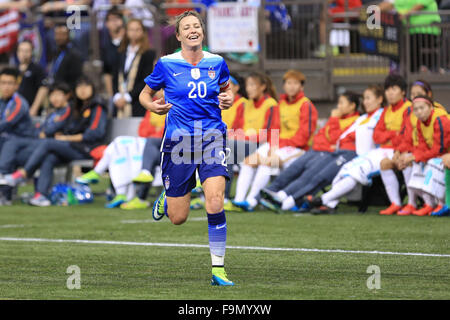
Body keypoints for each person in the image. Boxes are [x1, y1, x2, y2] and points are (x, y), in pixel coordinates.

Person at [139, 11, 235, 286]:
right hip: (178, 141)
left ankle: (218, 269)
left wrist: (227, 99)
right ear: (179, 36)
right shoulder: (167, 64)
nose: (193, 30)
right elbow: (144, 94)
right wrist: (152, 106)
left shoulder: (217, 62)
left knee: (215, 200)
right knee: (178, 218)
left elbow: (227, 90)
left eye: (197, 26)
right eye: (186, 27)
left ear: (202, 33)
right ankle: (168, 197)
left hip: (212, 137)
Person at [2, 76, 107, 206]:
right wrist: (65, 135)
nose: (82, 90)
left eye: (86, 86)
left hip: (87, 149)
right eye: (79, 87)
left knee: (47, 143)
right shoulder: (78, 107)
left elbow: (95, 134)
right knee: (49, 157)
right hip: (73, 147)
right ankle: (41, 195)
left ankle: (23, 174)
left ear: (92, 88)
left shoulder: (97, 106)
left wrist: (66, 137)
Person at [259, 91, 361, 213]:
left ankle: (286, 200)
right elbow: (321, 136)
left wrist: (333, 120)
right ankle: (270, 196)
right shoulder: (339, 119)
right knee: (294, 169)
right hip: (317, 149)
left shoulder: (355, 121)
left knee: (310, 176)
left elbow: (335, 138)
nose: (338, 106)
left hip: (327, 153)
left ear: (352, 106)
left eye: (341, 103)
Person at [232, 69, 318, 212]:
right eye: (288, 83)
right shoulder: (281, 103)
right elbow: (274, 129)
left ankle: (252, 201)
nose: (291, 86)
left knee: (268, 163)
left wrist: (277, 146)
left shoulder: (306, 105)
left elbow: (303, 137)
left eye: (295, 83)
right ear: (284, 86)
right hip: (278, 144)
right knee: (249, 160)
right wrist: (274, 145)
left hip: (298, 149)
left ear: (301, 87)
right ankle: (239, 200)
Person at [305, 85, 386, 213]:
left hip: (292, 148)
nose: (338, 107)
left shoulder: (304, 104)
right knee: (286, 169)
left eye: (368, 98)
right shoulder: (279, 105)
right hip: (271, 146)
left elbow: (304, 134)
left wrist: (275, 145)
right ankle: (275, 195)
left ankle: (289, 200)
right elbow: (331, 137)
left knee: (307, 173)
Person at [76, 107, 166, 209]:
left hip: (161, 146)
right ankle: (123, 193)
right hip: (144, 143)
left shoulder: (174, 104)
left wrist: (156, 132)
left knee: (122, 146)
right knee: (119, 145)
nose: (159, 92)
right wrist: (154, 131)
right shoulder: (153, 105)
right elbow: (142, 130)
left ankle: (99, 175)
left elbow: (168, 132)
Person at [0, 83, 71, 205]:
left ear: (67, 96)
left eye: (58, 95)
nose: (55, 98)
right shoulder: (53, 113)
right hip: (46, 148)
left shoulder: (67, 110)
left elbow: (50, 130)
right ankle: (37, 195)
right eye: (52, 95)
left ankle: (21, 175)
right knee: (18, 155)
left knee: (13, 143)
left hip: (63, 148)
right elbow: (42, 130)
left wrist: (44, 133)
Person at [392, 79, 447, 215]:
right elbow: (421, 145)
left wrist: (415, 156)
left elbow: (439, 149)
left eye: (422, 108)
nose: (419, 112)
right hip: (438, 153)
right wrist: (409, 156)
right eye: (416, 109)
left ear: (430, 107)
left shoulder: (440, 119)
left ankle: (441, 203)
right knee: (414, 162)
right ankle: (425, 203)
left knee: (434, 164)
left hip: (444, 154)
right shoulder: (419, 121)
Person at [35, 23, 83, 116]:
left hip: (67, 97)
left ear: (69, 35)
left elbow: (76, 80)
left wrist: (68, 95)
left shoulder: (75, 55)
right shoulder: (55, 52)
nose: (59, 37)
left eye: (63, 34)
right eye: (57, 34)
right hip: (54, 94)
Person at [113, 18, 156, 117]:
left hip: (137, 102)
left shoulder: (148, 53)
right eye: (131, 30)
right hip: (119, 100)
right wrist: (117, 95)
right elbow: (115, 75)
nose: (134, 33)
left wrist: (128, 97)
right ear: (126, 31)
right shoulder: (120, 51)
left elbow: (146, 79)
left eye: (137, 30)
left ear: (143, 32)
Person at [14, 40, 47, 113]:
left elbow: (43, 88)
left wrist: (34, 108)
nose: (24, 54)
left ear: (32, 52)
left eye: (27, 51)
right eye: (21, 51)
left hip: (31, 109)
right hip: (15, 109)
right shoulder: (14, 70)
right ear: (17, 53)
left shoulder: (37, 69)